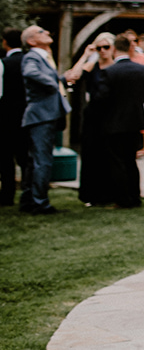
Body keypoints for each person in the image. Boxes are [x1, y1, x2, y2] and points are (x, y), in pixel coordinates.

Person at [98, 34, 144, 209]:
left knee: (117, 162)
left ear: (114, 49)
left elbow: (101, 98)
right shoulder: (142, 70)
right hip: (135, 122)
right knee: (131, 161)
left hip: (114, 123)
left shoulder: (109, 72)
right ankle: (135, 197)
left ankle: (122, 199)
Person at [19, 25, 69, 215]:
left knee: (35, 160)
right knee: (43, 160)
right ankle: (40, 203)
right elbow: (30, 73)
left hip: (43, 115)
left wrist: (62, 79)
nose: (47, 32)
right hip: (42, 115)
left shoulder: (44, 57)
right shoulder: (33, 56)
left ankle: (28, 199)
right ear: (31, 41)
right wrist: (53, 83)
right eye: (41, 32)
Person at [64, 34, 116, 206]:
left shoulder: (117, 67)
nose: (102, 51)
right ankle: (91, 195)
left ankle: (111, 194)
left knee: (110, 154)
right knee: (92, 154)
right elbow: (73, 76)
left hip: (112, 114)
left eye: (106, 47)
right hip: (93, 115)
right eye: (99, 48)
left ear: (113, 48)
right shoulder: (92, 66)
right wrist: (86, 54)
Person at [1, 29, 26, 207]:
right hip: (27, 116)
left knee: (6, 159)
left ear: (5, 43)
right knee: (26, 158)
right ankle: (29, 193)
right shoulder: (30, 61)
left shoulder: (3, 63)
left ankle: (7, 195)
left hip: (6, 118)